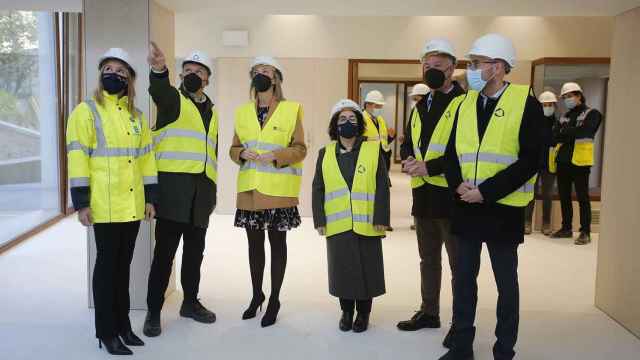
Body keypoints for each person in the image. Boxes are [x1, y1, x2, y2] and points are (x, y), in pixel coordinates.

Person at [440, 34, 544, 360]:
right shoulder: (465, 103)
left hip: (502, 208)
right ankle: (461, 347)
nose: (470, 70)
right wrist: (457, 185)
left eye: (476, 64)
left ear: (497, 67)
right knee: (464, 281)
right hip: (466, 206)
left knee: (505, 283)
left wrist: (485, 192)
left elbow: (532, 160)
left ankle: (504, 349)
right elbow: (450, 152)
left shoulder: (525, 102)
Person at [67, 48, 157, 355]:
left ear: (130, 80)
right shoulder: (86, 111)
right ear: (100, 74)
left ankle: (123, 326)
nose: (114, 74)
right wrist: (81, 202)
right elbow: (77, 158)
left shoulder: (137, 117)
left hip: (132, 206)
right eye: (108, 68)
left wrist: (151, 198)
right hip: (103, 206)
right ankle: (106, 332)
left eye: (121, 71)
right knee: (107, 269)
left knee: (123, 268)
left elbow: (147, 160)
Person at [143, 43, 219, 337]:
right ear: (181, 75)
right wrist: (159, 70)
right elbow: (159, 90)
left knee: (194, 254)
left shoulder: (213, 112)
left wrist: (212, 194)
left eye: (199, 71)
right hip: (173, 194)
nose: (192, 74)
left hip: (200, 197)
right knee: (164, 255)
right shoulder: (173, 100)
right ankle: (153, 311)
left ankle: (190, 302)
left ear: (207, 78)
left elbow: (209, 154)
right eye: (187, 70)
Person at [229, 56, 306, 327]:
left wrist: (276, 155)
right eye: (256, 71)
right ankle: (256, 295)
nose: (260, 74)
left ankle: (274, 298)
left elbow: (300, 149)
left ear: (275, 79)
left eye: (266, 71)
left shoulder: (291, 109)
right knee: (253, 247)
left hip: (279, 192)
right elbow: (233, 149)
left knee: (277, 246)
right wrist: (241, 153)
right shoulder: (242, 112)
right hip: (250, 191)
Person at [397, 39, 466, 340]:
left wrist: (431, 167)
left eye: (437, 66)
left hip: (451, 197)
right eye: (426, 66)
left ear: (452, 67)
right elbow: (409, 141)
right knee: (428, 259)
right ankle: (430, 311)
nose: (431, 71)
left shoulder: (465, 105)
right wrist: (409, 159)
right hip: (423, 196)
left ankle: (461, 323)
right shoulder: (422, 104)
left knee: (458, 263)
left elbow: (464, 151)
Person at [312, 99, 390, 333]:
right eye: (342, 119)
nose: (347, 123)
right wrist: (320, 220)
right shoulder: (324, 153)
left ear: (360, 124)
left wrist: (381, 217)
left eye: (352, 119)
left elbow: (381, 186)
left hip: (367, 222)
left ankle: (364, 314)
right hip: (338, 224)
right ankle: (346, 312)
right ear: (335, 125)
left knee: (368, 269)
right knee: (342, 270)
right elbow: (318, 188)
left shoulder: (373, 150)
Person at [550, 82, 602, 245]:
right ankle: (566, 228)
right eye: (564, 97)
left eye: (569, 96)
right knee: (564, 197)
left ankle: (585, 231)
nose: (567, 100)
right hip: (563, 161)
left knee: (582, 197)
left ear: (579, 95)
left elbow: (586, 131)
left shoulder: (593, 113)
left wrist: (565, 132)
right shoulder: (565, 115)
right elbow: (555, 136)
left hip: (580, 162)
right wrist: (569, 132)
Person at [524, 91, 559, 235]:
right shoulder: (534, 122)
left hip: (550, 164)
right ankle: (526, 223)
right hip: (534, 163)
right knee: (529, 194)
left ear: (555, 106)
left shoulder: (558, 123)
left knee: (547, 195)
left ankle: (546, 224)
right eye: (545, 105)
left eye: (550, 105)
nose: (548, 107)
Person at [363, 90, 395, 230]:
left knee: (383, 190)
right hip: (369, 159)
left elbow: (383, 140)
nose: (379, 109)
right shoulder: (361, 119)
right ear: (369, 104)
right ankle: (370, 219)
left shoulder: (380, 120)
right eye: (378, 106)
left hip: (383, 158)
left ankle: (383, 220)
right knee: (371, 190)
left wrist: (391, 137)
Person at [407, 83, 429, 231]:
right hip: (416, 167)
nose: (416, 101)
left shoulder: (436, 113)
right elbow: (409, 138)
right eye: (414, 99)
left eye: (418, 98)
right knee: (418, 199)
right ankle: (417, 222)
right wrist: (407, 157)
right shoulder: (414, 112)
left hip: (435, 172)